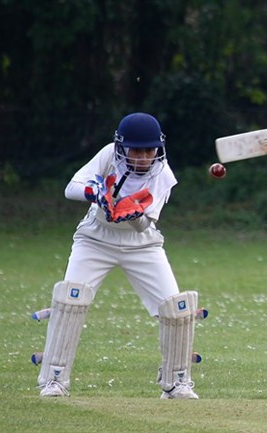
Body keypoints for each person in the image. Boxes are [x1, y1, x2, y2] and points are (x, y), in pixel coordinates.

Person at [36, 112, 206, 399]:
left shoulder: (163, 174)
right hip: (95, 239)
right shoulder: (108, 155)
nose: (143, 157)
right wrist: (97, 193)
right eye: (136, 150)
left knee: (176, 310)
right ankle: (54, 379)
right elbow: (71, 189)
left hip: (142, 244)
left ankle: (176, 383)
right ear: (122, 147)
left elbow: (144, 225)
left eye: (149, 150)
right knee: (70, 301)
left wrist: (133, 213)